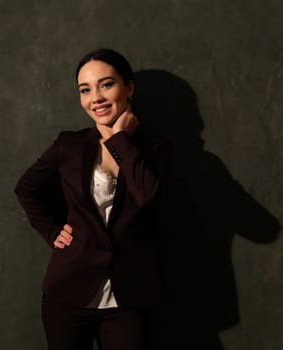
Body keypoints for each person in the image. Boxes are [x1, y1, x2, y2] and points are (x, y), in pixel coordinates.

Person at [14, 48, 170, 350]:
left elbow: (148, 197)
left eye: (106, 84)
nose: (95, 97)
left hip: (130, 297)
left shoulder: (156, 149)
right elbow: (26, 189)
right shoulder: (68, 145)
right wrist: (52, 230)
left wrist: (120, 140)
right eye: (85, 90)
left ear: (129, 87)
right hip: (68, 295)